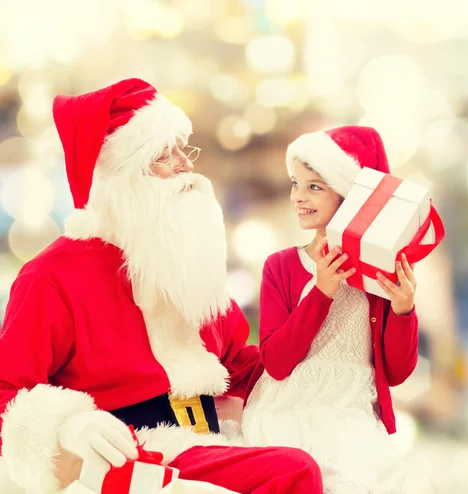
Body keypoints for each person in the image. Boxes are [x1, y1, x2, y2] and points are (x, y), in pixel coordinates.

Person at [0, 78, 322, 494]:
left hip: (213, 435)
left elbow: (237, 363)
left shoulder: (185, 257)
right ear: (119, 176)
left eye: (182, 150)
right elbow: (7, 390)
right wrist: (70, 425)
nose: (185, 166)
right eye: (161, 156)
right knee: (292, 471)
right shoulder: (52, 275)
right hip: (139, 453)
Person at [242, 126, 419, 493]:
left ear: (350, 198)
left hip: (353, 414)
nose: (298, 197)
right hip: (289, 409)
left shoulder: (380, 276)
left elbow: (397, 371)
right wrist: (321, 291)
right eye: (295, 183)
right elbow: (275, 362)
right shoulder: (282, 266)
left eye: (315, 187)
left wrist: (403, 311)